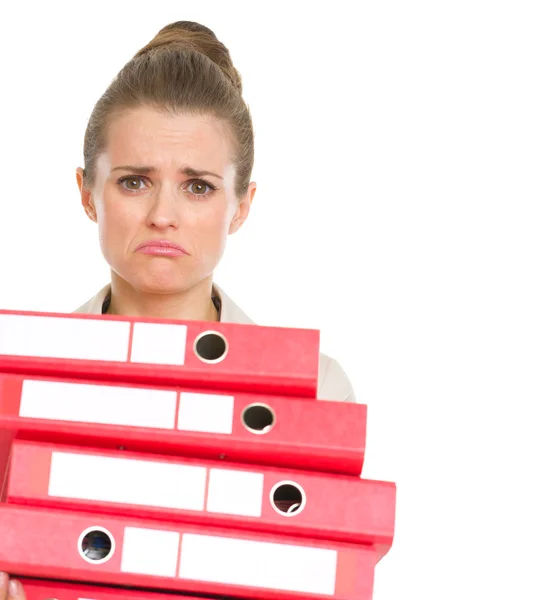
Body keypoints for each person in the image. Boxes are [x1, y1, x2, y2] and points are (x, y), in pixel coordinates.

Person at [0, 20, 356, 599]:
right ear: (87, 192)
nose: (163, 214)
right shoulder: (14, 379)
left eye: (198, 187)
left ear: (242, 206)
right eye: (135, 182)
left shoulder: (316, 390)